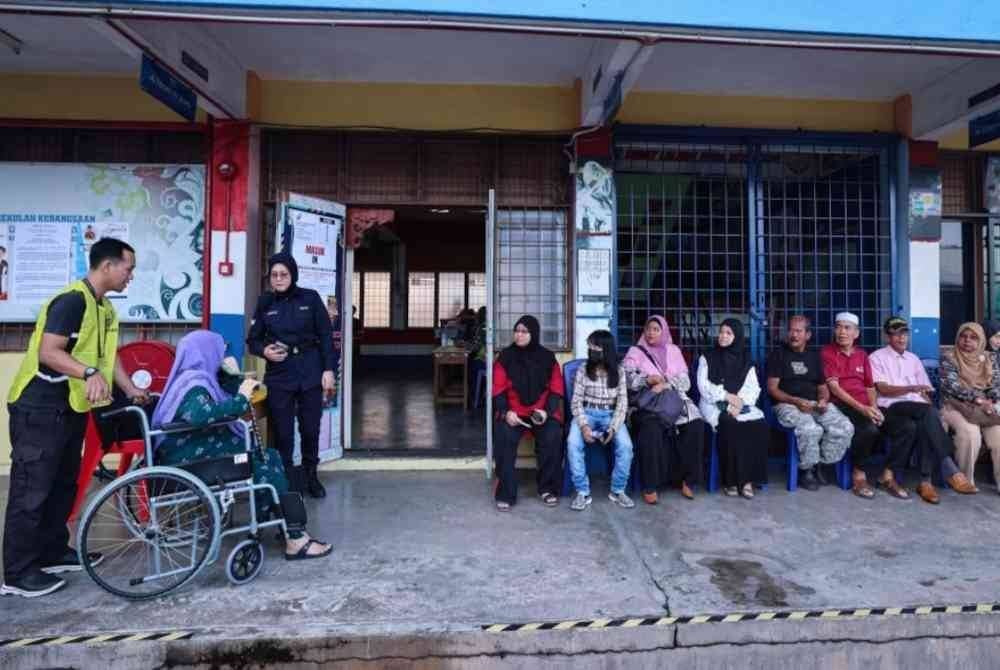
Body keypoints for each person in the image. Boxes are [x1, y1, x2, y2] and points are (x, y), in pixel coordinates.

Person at [2, 238, 149, 598]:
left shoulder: (104, 309)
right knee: (31, 490)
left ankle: (52, 551)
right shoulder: (71, 301)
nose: (131, 276)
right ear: (107, 266)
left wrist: (130, 389)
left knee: (63, 484)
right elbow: (49, 353)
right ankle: (18, 573)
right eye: (128, 268)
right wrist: (86, 373)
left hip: (70, 409)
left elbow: (107, 356)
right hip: (38, 408)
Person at [152, 331, 331, 560]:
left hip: (200, 452)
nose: (222, 353)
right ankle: (294, 537)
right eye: (220, 349)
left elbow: (228, 389)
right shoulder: (193, 384)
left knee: (272, 456)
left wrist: (232, 375)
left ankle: (282, 523)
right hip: (193, 462)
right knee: (265, 467)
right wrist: (242, 400)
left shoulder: (200, 377)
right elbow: (201, 415)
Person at [247, 252, 336, 499]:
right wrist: (265, 351)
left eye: (283, 274)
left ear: (292, 274)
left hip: (310, 370)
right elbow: (252, 340)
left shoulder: (310, 298)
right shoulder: (265, 302)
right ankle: (285, 481)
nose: (278, 279)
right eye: (274, 275)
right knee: (283, 433)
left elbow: (327, 337)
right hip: (280, 375)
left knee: (310, 429)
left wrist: (329, 370)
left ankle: (311, 476)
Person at [870, 317, 975, 503]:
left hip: (915, 410)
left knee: (923, 423)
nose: (901, 338)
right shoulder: (877, 357)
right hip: (891, 408)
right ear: (887, 336)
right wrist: (911, 389)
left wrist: (925, 399)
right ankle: (951, 469)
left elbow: (925, 390)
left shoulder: (913, 359)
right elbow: (883, 389)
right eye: (895, 334)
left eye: (904, 333)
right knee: (928, 414)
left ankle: (925, 482)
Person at [822, 312, 907, 500]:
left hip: (865, 406)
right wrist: (864, 409)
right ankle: (859, 474)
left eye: (847, 328)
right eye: (838, 327)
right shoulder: (828, 352)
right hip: (842, 404)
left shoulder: (862, 355)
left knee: (905, 427)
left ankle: (888, 474)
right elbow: (835, 389)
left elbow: (869, 386)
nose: (842, 332)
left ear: (856, 333)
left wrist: (874, 407)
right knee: (869, 430)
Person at [623, 315, 705, 504]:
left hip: (674, 400)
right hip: (648, 403)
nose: (651, 333)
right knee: (650, 429)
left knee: (696, 425)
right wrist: (647, 380)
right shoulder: (635, 351)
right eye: (648, 329)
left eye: (656, 329)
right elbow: (626, 378)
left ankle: (687, 480)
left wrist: (666, 384)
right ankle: (651, 485)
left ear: (664, 331)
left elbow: (685, 381)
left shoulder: (674, 351)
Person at [766, 315, 853, 491]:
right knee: (811, 429)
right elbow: (773, 389)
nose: (794, 335)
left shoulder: (814, 357)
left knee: (845, 427)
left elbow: (822, 387)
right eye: (791, 330)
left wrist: (823, 400)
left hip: (814, 403)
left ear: (808, 335)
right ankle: (807, 470)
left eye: (798, 331)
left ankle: (820, 463)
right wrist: (795, 401)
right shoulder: (778, 355)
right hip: (787, 404)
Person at [491, 315, 565, 511]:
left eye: (524, 331)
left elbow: (556, 389)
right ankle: (506, 492)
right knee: (504, 435)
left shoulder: (548, 358)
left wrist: (546, 412)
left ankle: (547, 488)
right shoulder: (505, 357)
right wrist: (506, 412)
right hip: (513, 413)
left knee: (552, 435)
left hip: (540, 412)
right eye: (517, 331)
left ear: (534, 333)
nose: (519, 335)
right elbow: (498, 389)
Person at [697, 319, 769, 499]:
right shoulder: (708, 357)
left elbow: (753, 387)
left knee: (758, 424)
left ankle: (747, 480)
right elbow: (703, 386)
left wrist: (740, 403)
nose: (723, 336)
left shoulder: (746, 359)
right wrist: (728, 398)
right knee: (729, 424)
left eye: (728, 333)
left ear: (737, 336)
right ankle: (730, 481)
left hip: (741, 405)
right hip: (713, 404)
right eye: (721, 332)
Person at [567, 330, 635, 511]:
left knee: (626, 446)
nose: (591, 350)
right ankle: (582, 492)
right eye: (589, 347)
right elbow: (576, 401)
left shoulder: (619, 372)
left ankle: (618, 490)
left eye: (594, 347)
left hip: (611, 415)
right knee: (573, 443)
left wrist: (612, 429)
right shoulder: (583, 370)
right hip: (587, 412)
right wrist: (583, 426)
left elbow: (622, 403)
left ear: (606, 349)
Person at [939, 322, 1000, 491]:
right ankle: (964, 480)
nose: (967, 341)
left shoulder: (989, 358)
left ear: (981, 340)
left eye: (973, 337)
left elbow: (995, 384)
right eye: (963, 336)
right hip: (955, 405)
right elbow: (952, 387)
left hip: (984, 407)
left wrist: (992, 399)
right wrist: (979, 399)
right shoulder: (949, 356)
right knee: (970, 434)